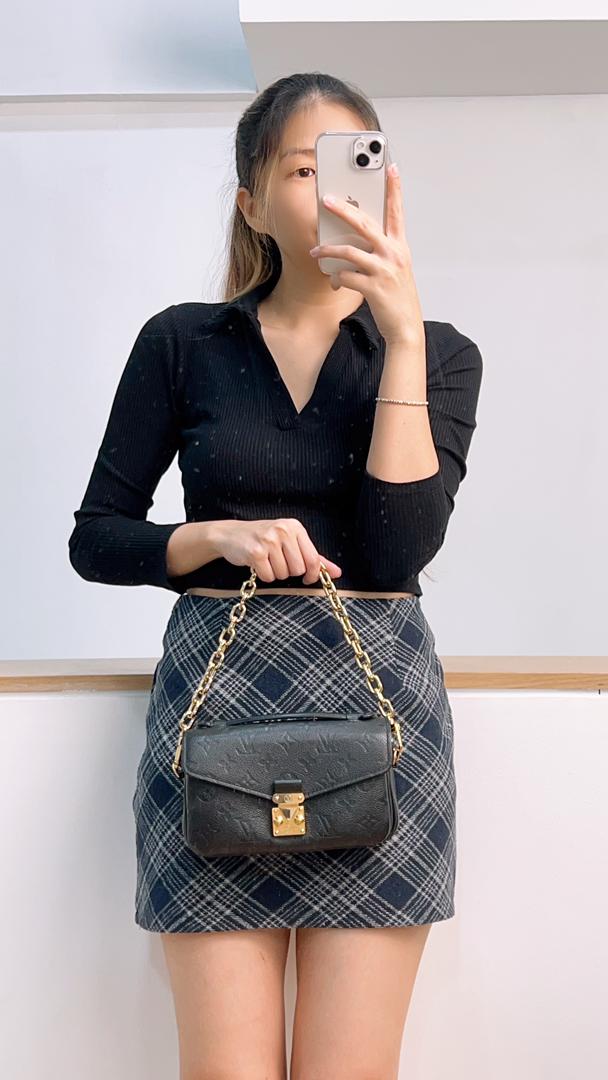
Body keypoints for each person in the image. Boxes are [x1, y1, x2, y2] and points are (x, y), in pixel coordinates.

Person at [69, 72, 483, 1080]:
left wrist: (399, 337)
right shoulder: (183, 342)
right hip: (215, 714)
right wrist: (215, 537)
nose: (332, 190)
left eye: (355, 164)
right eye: (303, 169)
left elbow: (396, 552)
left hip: (380, 718)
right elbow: (97, 538)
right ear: (252, 203)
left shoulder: (438, 353)